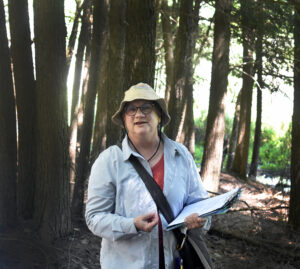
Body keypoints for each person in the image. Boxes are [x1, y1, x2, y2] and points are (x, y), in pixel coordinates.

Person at [85, 83, 211, 269]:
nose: (139, 114)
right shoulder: (110, 161)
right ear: (124, 120)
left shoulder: (181, 155)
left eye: (146, 107)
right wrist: (131, 225)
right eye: (131, 109)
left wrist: (199, 220)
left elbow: (201, 204)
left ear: (159, 115)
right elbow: (94, 218)